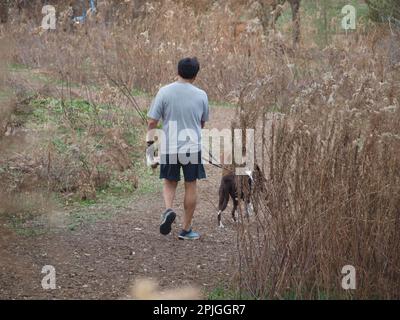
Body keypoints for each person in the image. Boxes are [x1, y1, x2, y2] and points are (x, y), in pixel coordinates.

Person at [146, 57, 209, 240]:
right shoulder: (201, 95)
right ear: (195, 75)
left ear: (177, 71)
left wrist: (150, 146)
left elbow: (152, 121)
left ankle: (168, 210)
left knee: (169, 181)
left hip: (169, 145)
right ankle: (186, 229)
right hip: (192, 146)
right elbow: (202, 122)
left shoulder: (164, 92)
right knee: (191, 184)